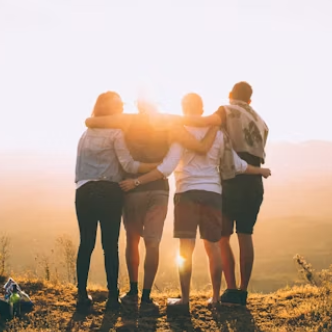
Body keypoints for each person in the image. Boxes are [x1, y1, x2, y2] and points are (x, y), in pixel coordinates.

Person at [119, 93, 271, 312]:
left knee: (185, 249)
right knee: (213, 247)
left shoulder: (180, 131)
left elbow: (167, 167)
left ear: (183, 108)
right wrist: (260, 170)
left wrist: (136, 181)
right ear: (202, 109)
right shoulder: (218, 133)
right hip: (213, 194)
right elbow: (236, 164)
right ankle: (216, 299)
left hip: (186, 193)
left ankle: (185, 300)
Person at [85, 98, 218, 312]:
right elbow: (200, 143)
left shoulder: (126, 121)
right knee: (153, 243)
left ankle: (132, 292)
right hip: (158, 189)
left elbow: (90, 121)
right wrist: (215, 121)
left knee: (132, 240)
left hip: (132, 189)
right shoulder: (169, 122)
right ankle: (146, 298)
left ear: (139, 105)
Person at [172, 82, 269, 306]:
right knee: (246, 234)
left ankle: (230, 290)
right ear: (250, 100)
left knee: (221, 238)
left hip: (231, 179)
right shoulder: (261, 121)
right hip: (253, 181)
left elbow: (205, 122)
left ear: (229, 95)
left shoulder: (226, 110)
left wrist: (173, 121)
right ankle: (242, 292)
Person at [74, 91, 158, 310]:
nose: (122, 108)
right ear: (111, 110)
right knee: (110, 246)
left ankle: (82, 296)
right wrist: (156, 167)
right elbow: (129, 166)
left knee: (86, 244)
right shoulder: (116, 133)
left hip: (84, 191)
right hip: (109, 191)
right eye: (118, 105)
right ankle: (113, 298)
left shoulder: (86, 134)